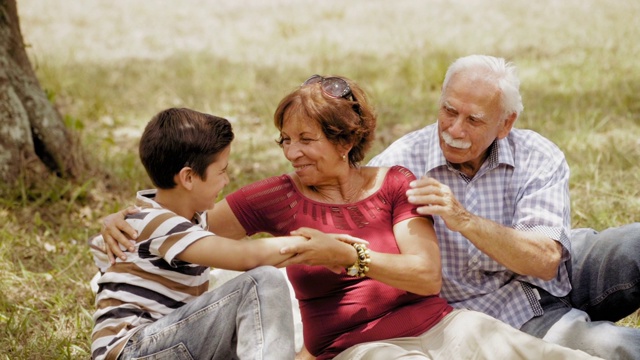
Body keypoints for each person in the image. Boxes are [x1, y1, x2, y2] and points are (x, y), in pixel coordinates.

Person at [99, 76, 601, 359]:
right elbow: (179, 225)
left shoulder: (397, 183)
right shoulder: (274, 197)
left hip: (445, 326)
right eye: (285, 140)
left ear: (345, 141)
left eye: (306, 140)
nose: (291, 153)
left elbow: (425, 277)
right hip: (359, 349)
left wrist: (345, 255)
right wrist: (118, 223)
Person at [367, 54, 640, 359]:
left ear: (505, 123)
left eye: (473, 120)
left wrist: (465, 220)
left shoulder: (535, 154)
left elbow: (546, 260)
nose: (454, 130)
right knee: (615, 348)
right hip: (499, 314)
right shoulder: (397, 167)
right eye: (449, 111)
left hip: (559, 271)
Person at [89, 108, 315, 360]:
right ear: (188, 178)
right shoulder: (156, 222)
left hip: (168, 342)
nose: (227, 180)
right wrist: (312, 244)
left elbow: (103, 252)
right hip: (134, 350)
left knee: (248, 328)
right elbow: (245, 256)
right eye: (221, 171)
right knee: (262, 281)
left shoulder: (182, 220)